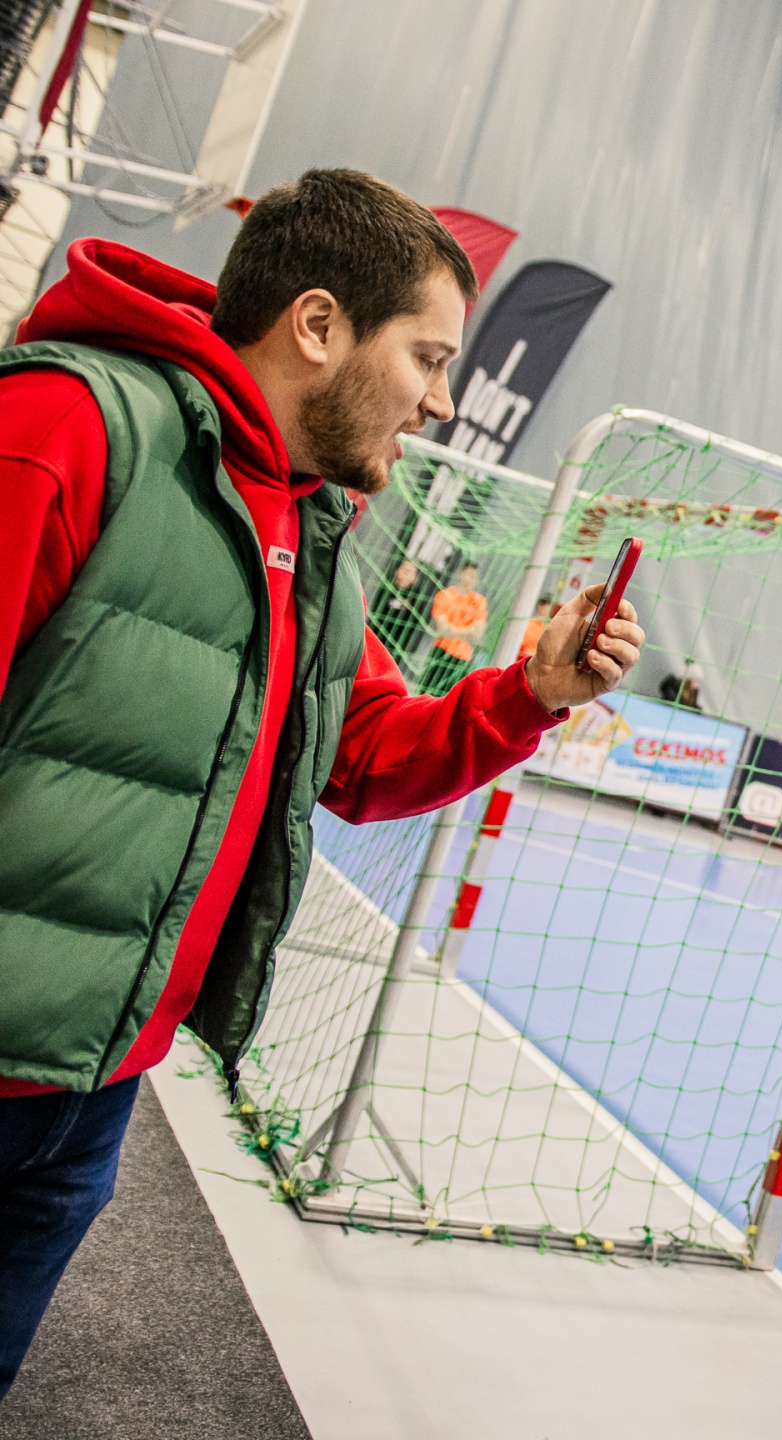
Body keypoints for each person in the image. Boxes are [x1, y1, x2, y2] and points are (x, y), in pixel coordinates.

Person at [0, 168, 645, 1400]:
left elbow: (361, 755)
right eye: (428, 358)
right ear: (316, 326)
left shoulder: (317, 537)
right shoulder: (66, 426)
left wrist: (530, 694)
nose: (442, 401)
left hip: (95, 1082)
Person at [423, 560, 489, 695]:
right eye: (468, 575)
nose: (470, 580)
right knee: (428, 695)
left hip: (463, 658)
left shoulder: (479, 601)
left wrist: (453, 630)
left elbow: (478, 635)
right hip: (441, 651)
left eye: (474, 577)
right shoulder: (445, 595)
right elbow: (442, 629)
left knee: (450, 699)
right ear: (460, 573)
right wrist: (467, 632)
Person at [369, 555, 433, 673]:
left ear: (415, 578)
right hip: (376, 640)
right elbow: (375, 612)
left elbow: (415, 623)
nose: (405, 573)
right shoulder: (386, 588)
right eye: (403, 568)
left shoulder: (416, 598)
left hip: (396, 647)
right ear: (397, 571)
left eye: (410, 571)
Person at [517, 592, 555, 660]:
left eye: (547, 605)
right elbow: (517, 647)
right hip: (521, 660)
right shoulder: (527, 623)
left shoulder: (549, 629)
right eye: (542, 604)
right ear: (539, 606)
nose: (544, 608)